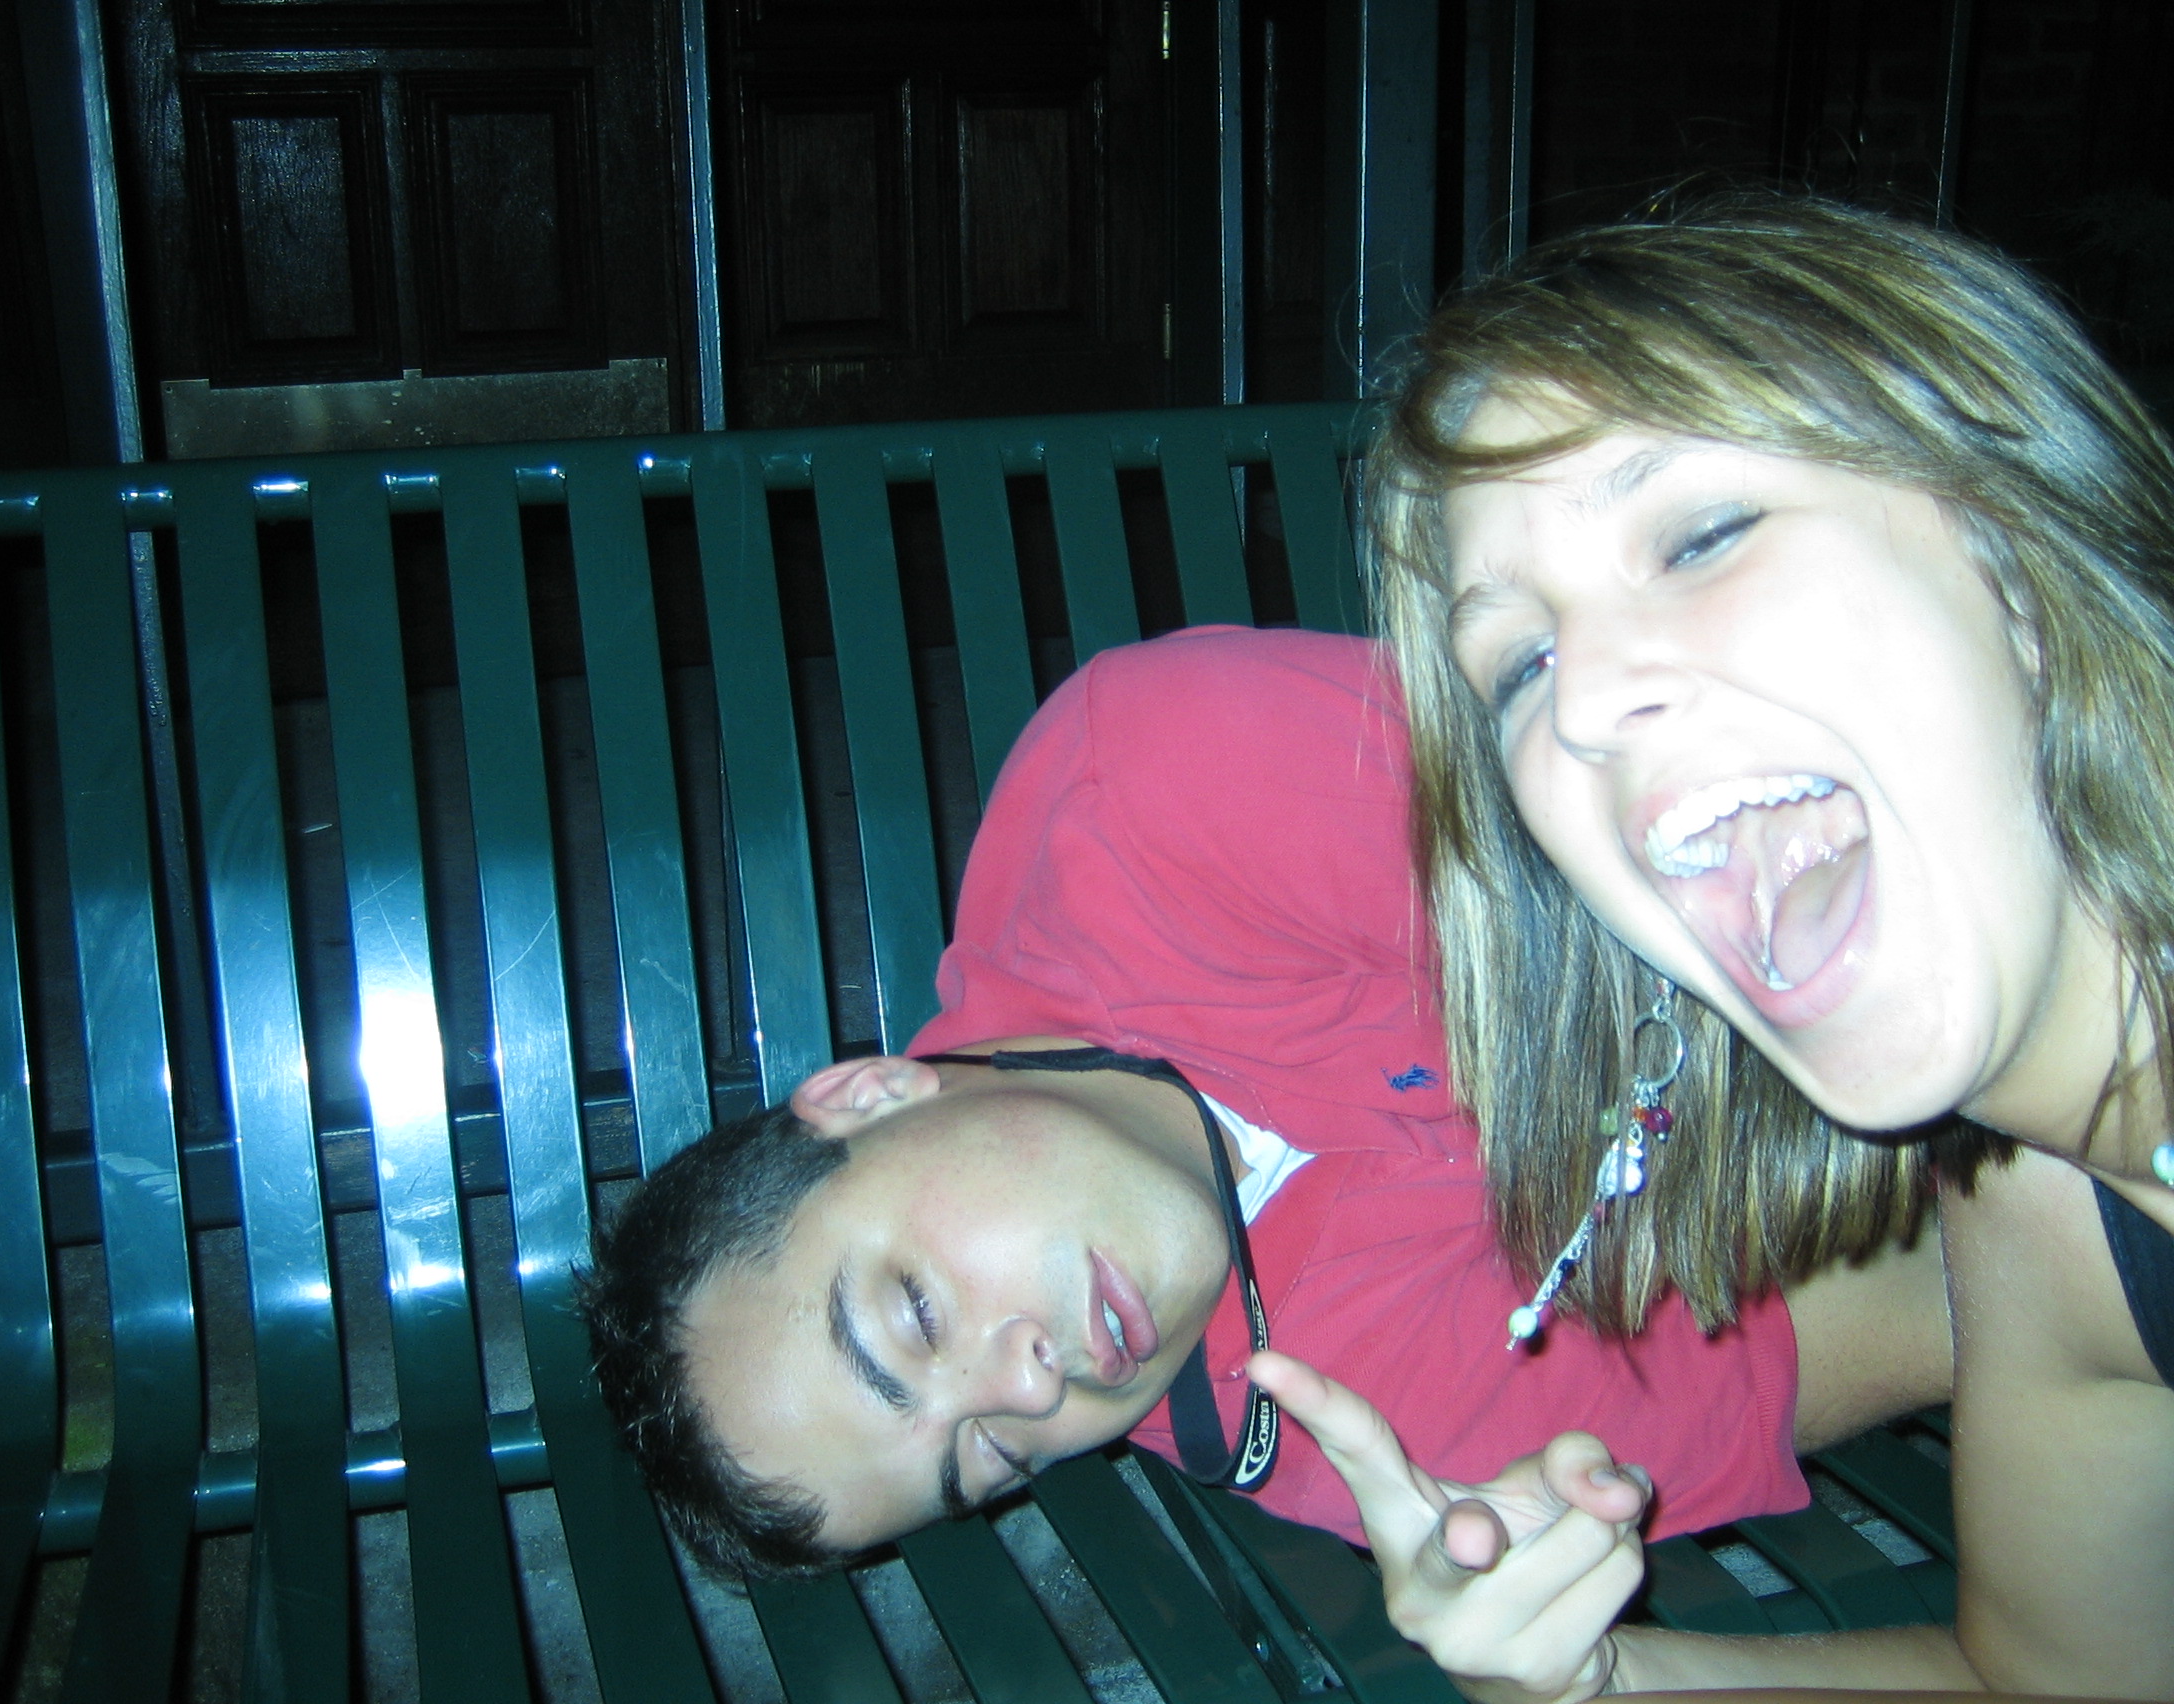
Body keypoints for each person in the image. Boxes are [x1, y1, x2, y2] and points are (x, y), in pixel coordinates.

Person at [1293, 193, 2174, 1700]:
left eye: (1702, 536)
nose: (1584, 705)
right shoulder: (2047, 1204)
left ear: (2018, 557)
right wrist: (1589, 1683)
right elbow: (2057, 1680)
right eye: (1521, 663)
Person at [583, 623, 1951, 1579]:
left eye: (917, 1315)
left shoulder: (1148, 803)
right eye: (991, 1457)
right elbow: (1916, 1318)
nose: (1035, 1385)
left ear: (873, 1095)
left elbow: (1754, 801)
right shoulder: (1340, 1434)